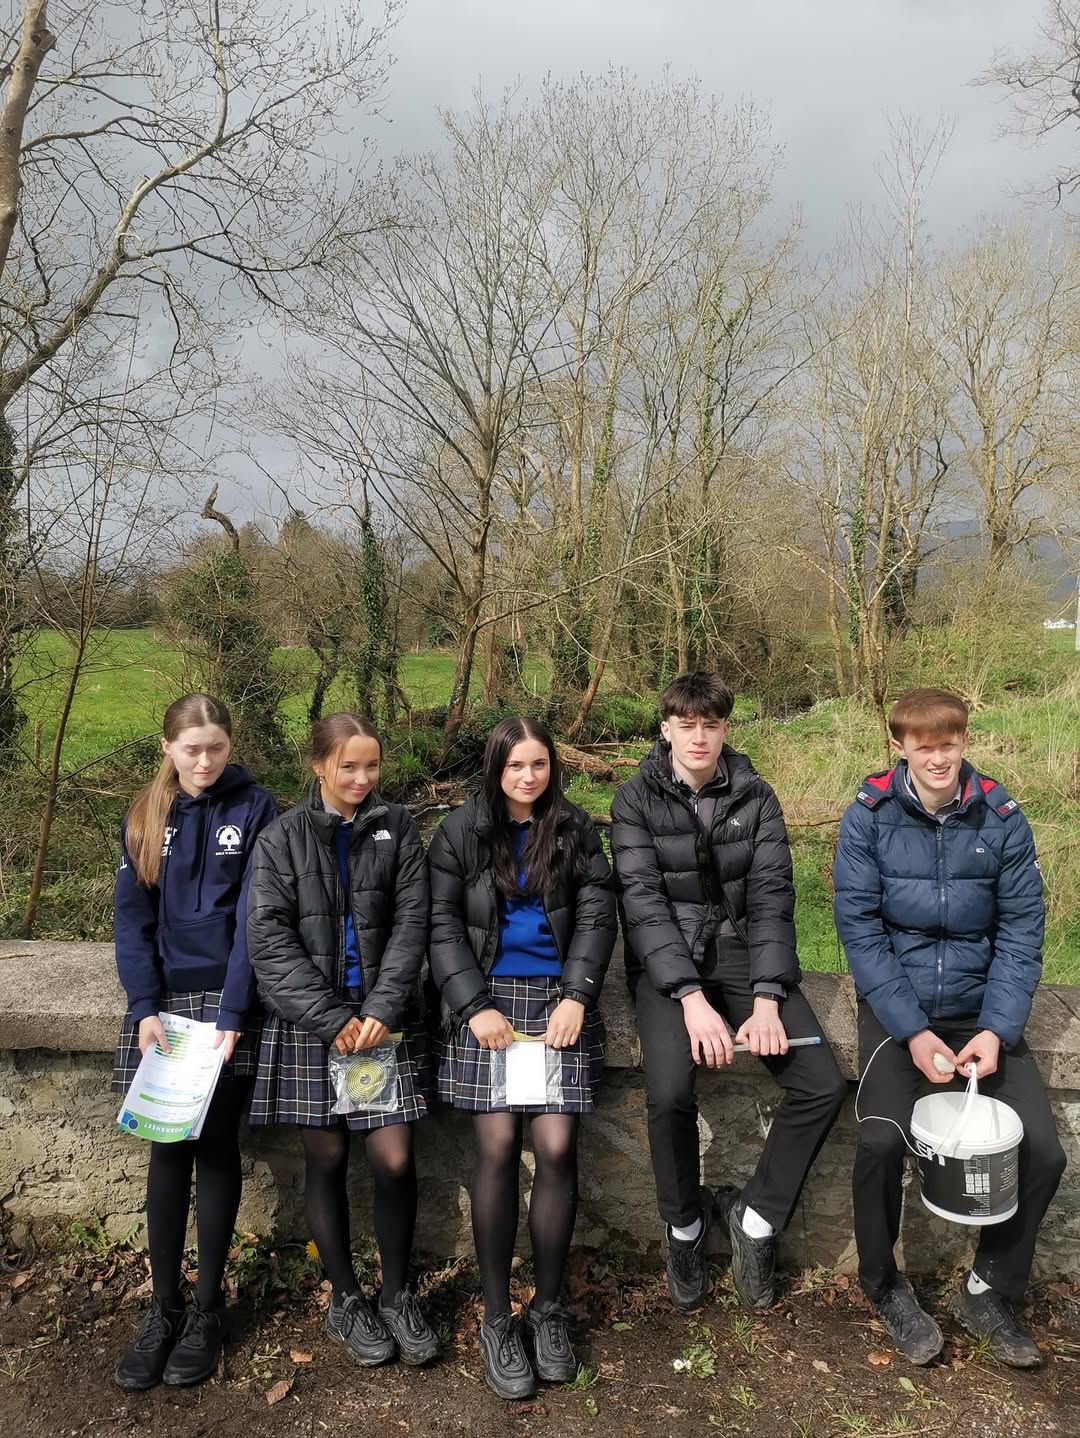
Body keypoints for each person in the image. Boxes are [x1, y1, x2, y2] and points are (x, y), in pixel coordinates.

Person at [834, 686, 1065, 1369]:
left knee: (1044, 1152)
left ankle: (990, 1289)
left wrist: (996, 1029)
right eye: (924, 744)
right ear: (899, 746)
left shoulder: (1001, 817)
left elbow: (1023, 931)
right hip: (897, 1008)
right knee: (878, 1142)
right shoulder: (868, 817)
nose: (939, 757)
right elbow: (859, 930)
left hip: (980, 1011)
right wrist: (911, 1032)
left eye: (950, 742)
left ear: (965, 741)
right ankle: (883, 1284)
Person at [610, 672, 846, 1313]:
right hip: (668, 970)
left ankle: (756, 1218)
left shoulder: (756, 796)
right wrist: (690, 1000)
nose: (699, 737)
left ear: (725, 729)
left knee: (821, 1082)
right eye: (686, 725)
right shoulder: (633, 800)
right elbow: (644, 907)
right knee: (669, 1091)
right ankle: (685, 1226)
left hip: (745, 958)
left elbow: (772, 898)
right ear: (665, 728)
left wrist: (767, 996)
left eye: (710, 725)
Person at [429, 716, 617, 1401]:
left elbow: (598, 913)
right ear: (495, 769)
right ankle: (498, 1317)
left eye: (539, 765)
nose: (528, 777)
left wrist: (578, 994)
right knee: (500, 1142)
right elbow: (441, 924)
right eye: (516, 767)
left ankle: (547, 1310)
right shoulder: (458, 832)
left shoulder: (574, 828)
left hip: (558, 999)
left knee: (559, 1145)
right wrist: (472, 1003)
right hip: (486, 1003)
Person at [246, 713, 437, 1368]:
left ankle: (396, 1295)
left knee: (394, 1160)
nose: (362, 778)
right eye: (349, 766)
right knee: (325, 1159)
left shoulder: (399, 829)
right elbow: (268, 940)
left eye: (372, 766)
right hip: (314, 1025)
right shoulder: (281, 838)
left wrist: (381, 1007)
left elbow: (415, 922)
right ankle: (346, 1299)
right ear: (319, 765)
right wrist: (330, 1018)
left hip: (382, 1022)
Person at [112, 693, 278, 1391]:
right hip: (163, 1010)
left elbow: (255, 921)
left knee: (213, 1146)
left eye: (215, 747)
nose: (205, 761)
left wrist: (235, 1011)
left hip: (227, 1006)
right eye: (191, 749)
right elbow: (132, 920)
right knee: (165, 1146)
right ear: (167, 748)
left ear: (229, 745)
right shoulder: (145, 816)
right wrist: (144, 1006)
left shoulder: (258, 808)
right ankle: (164, 1309)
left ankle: (208, 1310)